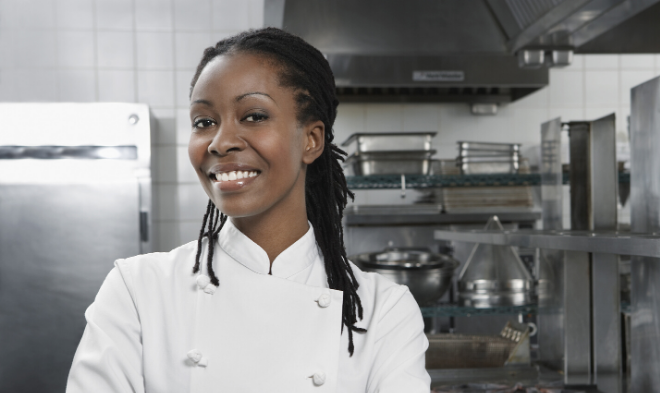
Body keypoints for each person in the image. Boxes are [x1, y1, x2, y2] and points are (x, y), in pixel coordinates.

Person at [66, 28, 430, 392]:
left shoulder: (383, 311)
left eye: (254, 116)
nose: (221, 142)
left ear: (311, 140)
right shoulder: (138, 291)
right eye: (204, 122)